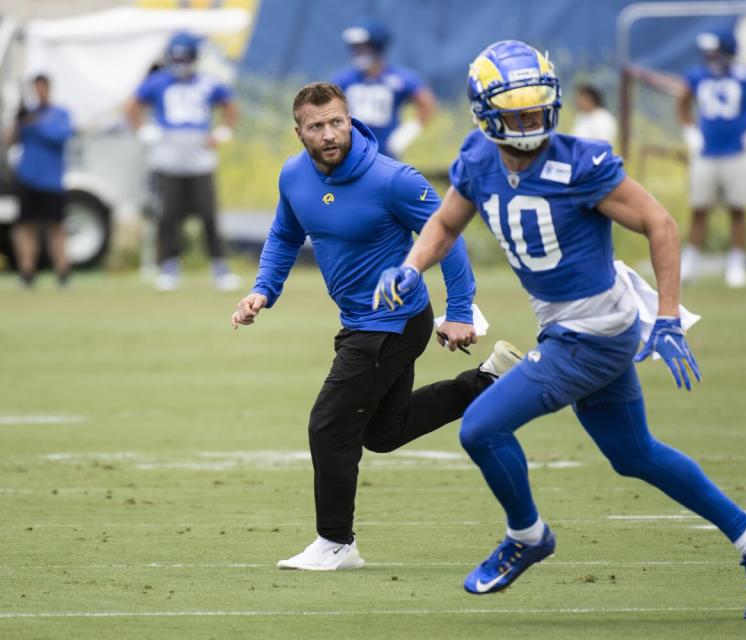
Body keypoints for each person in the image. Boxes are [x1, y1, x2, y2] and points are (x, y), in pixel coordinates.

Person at [375, 40, 746, 620]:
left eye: (535, 108)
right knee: (634, 454)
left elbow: (660, 223)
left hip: (592, 333)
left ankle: (527, 536)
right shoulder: (476, 159)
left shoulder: (580, 162)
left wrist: (669, 315)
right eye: (515, 110)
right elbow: (445, 224)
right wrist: (410, 265)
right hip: (572, 326)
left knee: (481, 428)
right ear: (486, 114)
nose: (528, 121)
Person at [231, 81, 521, 571]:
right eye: (316, 126)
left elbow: (447, 237)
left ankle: (336, 544)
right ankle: (489, 381)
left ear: (350, 120)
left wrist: (461, 311)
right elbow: (284, 234)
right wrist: (263, 290)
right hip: (361, 322)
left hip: (392, 322)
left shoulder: (393, 179)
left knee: (329, 426)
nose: (329, 134)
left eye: (337, 122)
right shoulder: (293, 176)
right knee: (385, 431)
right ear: (299, 132)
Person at [127, 31, 241, 292]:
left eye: (185, 58)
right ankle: (169, 266)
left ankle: (219, 267)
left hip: (200, 159)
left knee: (208, 215)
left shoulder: (208, 83)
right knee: (168, 216)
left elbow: (230, 105)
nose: (180, 63)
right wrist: (143, 129)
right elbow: (132, 105)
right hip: (168, 159)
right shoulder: (158, 82)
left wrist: (222, 132)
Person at [677, 29, 746, 288]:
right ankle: (690, 262)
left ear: (727, 52)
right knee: (699, 209)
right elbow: (682, 101)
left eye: (715, 51)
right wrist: (690, 129)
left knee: (738, 209)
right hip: (706, 152)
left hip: (738, 151)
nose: (710, 56)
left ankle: (737, 262)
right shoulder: (698, 76)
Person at [332, 19, 436, 159]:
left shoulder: (399, 77)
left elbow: (427, 104)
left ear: (377, 46)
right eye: (355, 47)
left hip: (386, 155)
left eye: (363, 47)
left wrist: (405, 135)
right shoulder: (344, 79)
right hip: (352, 152)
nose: (358, 52)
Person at [5, 74, 73, 288]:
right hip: (28, 178)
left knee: (56, 228)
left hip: (52, 180)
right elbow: (7, 142)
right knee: (25, 227)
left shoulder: (59, 114)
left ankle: (62, 274)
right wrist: (17, 121)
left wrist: (36, 123)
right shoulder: (28, 115)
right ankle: (27, 273)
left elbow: (60, 137)